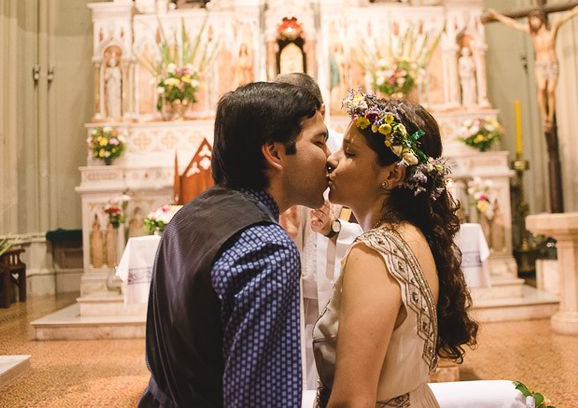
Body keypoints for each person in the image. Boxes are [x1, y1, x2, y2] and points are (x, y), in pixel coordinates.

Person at [139, 81, 330, 407]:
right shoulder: (267, 249)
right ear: (275, 153)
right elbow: (261, 398)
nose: (330, 158)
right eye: (320, 142)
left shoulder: (186, 217)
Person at [314, 92, 478, 407]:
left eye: (349, 153)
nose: (331, 159)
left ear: (392, 175)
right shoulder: (412, 234)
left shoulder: (374, 253)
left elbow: (352, 400)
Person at [274, 72, 363, 389]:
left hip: (335, 281)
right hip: (292, 286)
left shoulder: (349, 156)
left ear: (321, 112)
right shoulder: (278, 153)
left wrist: (334, 229)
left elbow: (375, 231)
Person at [486, 0, 578, 130]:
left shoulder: (552, 30)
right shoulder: (532, 33)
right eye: (531, 20)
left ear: (540, 19)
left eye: (534, 19)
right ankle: (544, 117)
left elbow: (571, 14)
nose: (532, 22)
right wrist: (497, 16)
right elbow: (513, 24)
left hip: (552, 64)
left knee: (551, 91)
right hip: (540, 64)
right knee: (541, 88)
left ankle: (550, 118)